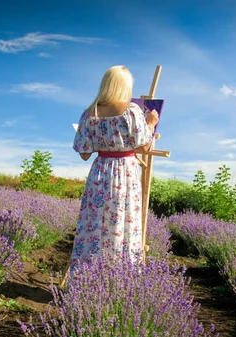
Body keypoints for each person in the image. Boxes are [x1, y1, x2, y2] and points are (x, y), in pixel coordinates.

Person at [68, 65, 159, 279]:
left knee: (94, 224)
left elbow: (83, 154)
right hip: (125, 174)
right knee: (123, 223)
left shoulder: (89, 113)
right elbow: (144, 147)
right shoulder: (132, 111)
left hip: (99, 173)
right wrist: (150, 124)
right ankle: (120, 280)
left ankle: (86, 278)